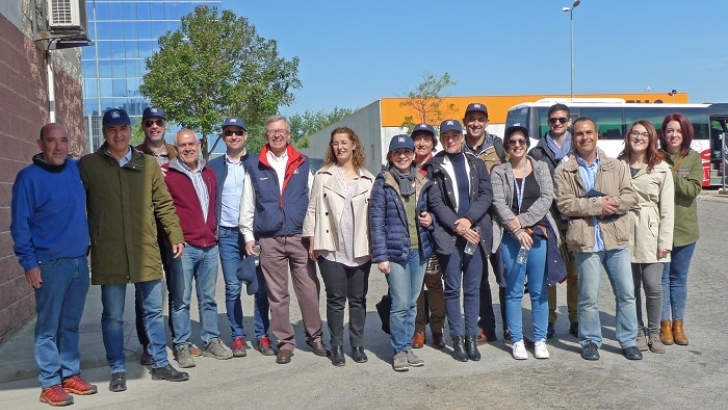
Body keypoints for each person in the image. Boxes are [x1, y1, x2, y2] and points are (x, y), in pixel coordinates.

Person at [79, 108, 189, 392]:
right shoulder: (89, 165)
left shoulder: (147, 163)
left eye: (123, 128)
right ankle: (117, 369)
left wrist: (175, 234)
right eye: (112, 129)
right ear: (104, 133)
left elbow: (163, 203)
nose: (118, 134)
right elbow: (73, 202)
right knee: (113, 315)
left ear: (130, 131)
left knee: (152, 311)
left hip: (144, 250)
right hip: (109, 251)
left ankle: (160, 363)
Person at [11, 124, 97, 407]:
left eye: (63, 141)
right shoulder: (28, 178)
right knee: (48, 328)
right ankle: (49, 383)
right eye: (51, 141)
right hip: (49, 265)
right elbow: (20, 226)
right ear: (40, 143)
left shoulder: (74, 169)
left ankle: (69, 374)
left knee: (70, 324)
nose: (58, 147)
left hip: (78, 262)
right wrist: (29, 263)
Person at [554, 117, 642, 361]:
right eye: (579, 133)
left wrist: (611, 204)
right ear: (573, 138)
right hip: (586, 241)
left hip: (616, 239)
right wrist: (596, 204)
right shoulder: (564, 171)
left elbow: (630, 197)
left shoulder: (616, 166)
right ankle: (590, 341)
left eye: (589, 132)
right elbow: (565, 204)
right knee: (588, 296)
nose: (585, 137)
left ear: (597, 134)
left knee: (626, 293)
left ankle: (628, 340)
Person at [240, 115, 325, 365]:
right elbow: (248, 203)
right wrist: (248, 235)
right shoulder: (255, 165)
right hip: (270, 239)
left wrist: (315, 234)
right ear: (266, 135)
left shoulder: (303, 162)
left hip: (300, 237)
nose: (277, 135)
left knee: (309, 290)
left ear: (288, 134)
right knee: (277, 296)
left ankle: (315, 337)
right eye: (272, 131)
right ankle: (285, 343)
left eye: (281, 131)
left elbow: (314, 200)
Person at [303, 127, 375, 366]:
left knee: (358, 299)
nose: (340, 147)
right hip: (330, 247)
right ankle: (336, 345)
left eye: (344, 142)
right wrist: (311, 237)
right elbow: (312, 208)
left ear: (354, 145)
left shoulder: (369, 179)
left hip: (360, 248)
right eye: (335, 143)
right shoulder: (323, 176)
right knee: (335, 298)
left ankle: (357, 345)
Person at [491, 124, 564, 360]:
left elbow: (546, 199)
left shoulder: (540, 167)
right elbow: (499, 203)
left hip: (537, 235)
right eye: (512, 142)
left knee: (539, 290)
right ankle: (517, 340)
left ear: (527, 144)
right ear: (506, 146)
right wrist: (516, 229)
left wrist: (522, 223)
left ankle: (540, 339)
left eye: (521, 141)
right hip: (510, 237)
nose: (517, 145)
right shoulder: (499, 172)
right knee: (513, 291)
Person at [133, 107, 198, 364]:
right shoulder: (135, 154)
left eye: (158, 122)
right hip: (146, 230)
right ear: (143, 126)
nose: (154, 126)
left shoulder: (176, 152)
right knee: (146, 290)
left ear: (165, 125)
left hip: (173, 230)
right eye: (149, 122)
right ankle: (148, 344)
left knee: (178, 287)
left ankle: (180, 340)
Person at [424, 119, 493, 362]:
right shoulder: (434, 167)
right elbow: (436, 203)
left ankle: (471, 338)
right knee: (452, 290)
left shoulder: (476, 163)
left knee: (472, 289)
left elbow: (486, 196)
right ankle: (457, 338)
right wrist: (458, 225)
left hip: (474, 234)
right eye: (446, 136)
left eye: (455, 135)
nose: (451, 140)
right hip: (449, 236)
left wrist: (469, 220)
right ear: (441, 140)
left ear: (462, 137)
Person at [163, 129, 233, 367]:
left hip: (209, 245)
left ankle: (211, 340)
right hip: (184, 247)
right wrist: (173, 239)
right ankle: (181, 344)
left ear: (199, 144)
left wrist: (214, 233)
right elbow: (163, 211)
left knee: (208, 298)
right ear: (176, 148)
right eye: (182, 145)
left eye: (191, 144)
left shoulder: (208, 172)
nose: (188, 148)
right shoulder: (169, 174)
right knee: (181, 300)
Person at [209, 117, 275, 358]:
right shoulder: (214, 167)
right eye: (229, 132)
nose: (234, 136)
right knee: (232, 287)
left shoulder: (259, 163)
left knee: (260, 287)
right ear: (223, 136)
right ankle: (237, 335)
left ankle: (262, 334)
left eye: (238, 132)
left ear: (246, 135)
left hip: (254, 236)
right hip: (227, 234)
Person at [370, 134, 434, 371]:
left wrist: (431, 218)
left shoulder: (422, 181)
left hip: (419, 250)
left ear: (413, 155)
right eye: (397, 152)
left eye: (407, 152)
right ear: (390, 156)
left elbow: (432, 210)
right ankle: (399, 350)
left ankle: (407, 347)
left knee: (412, 303)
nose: (403, 156)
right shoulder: (383, 183)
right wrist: (381, 256)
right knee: (399, 303)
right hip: (395, 252)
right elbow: (376, 221)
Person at [617, 120, 674, 354]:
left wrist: (664, 242)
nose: (639, 138)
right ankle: (638, 332)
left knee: (653, 286)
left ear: (651, 139)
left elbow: (667, 209)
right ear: (628, 136)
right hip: (623, 231)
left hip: (650, 231)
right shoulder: (617, 165)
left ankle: (654, 333)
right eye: (635, 133)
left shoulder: (661, 168)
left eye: (644, 134)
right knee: (629, 288)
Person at [529, 103, 579, 339]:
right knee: (548, 274)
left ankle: (575, 318)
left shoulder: (579, 148)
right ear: (548, 123)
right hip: (548, 220)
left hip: (576, 219)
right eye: (553, 120)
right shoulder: (537, 153)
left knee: (575, 274)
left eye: (562, 119)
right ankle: (548, 319)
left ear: (569, 121)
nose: (557, 123)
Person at [461, 102, 507, 344]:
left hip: (499, 221)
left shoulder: (499, 147)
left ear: (487, 122)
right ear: (465, 121)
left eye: (480, 119)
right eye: (471, 118)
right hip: (474, 222)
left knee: (505, 276)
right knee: (479, 278)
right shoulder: (458, 148)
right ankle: (486, 327)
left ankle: (510, 327)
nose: (475, 123)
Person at [658, 113, 702, 347]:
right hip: (660, 230)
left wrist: (670, 174)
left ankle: (678, 325)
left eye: (678, 131)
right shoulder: (654, 156)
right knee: (662, 279)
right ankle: (664, 325)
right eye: (669, 130)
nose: (674, 135)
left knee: (679, 279)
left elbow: (692, 190)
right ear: (663, 134)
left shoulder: (693, 158)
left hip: (685, 230)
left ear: (685, 133)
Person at [410, 123, 447, 349]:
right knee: (415, 285)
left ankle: (437, 329)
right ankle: (418, 329)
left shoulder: (439, 166)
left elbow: (447, 201)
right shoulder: (404, 165)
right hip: (411, 237)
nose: (421, 143)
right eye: (417, 139)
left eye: (426, 139)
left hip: (433, 236)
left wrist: (432, 218)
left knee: (433, 283)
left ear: (433, 143)